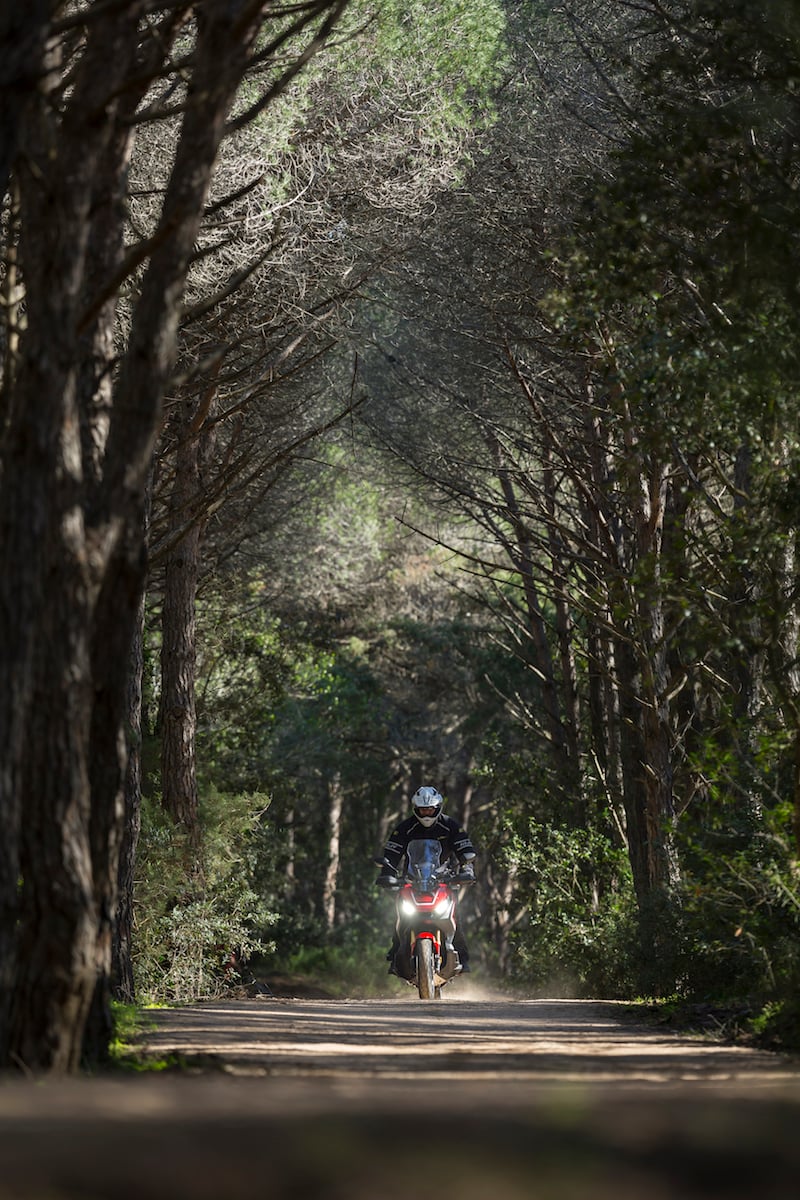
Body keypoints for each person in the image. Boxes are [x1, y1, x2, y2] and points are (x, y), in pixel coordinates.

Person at [376, 785, 476, 974]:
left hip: (444, 880)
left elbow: (465, 850)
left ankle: (462, 957)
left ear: (438, 808)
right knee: (400, 916)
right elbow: (392, 852)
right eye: (423, 809)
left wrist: (467, 868)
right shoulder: (405, 828)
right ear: (416, 809)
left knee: (455, 916)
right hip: (412, 881)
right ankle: (396, 953)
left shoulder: (451, 826)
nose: (426, 813)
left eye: (430, 809)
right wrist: (387, 873)